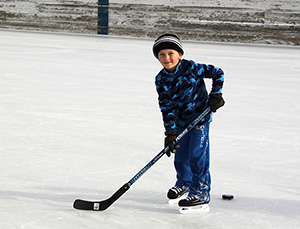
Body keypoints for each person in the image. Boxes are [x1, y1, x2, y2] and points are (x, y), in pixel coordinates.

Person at [153, 34, 225, 210]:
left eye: (171, 53)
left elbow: (218, 73)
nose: (166, 58)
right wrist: (170, 133)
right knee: (180, 157)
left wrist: (216, 94)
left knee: (196, 156)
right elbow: (166, 108)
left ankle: (201, 192)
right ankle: (185, 183)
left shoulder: (192, 68)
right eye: (161, 54)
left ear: (179, 54)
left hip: (200, 120)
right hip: (180, 123)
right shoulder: (160, 79)